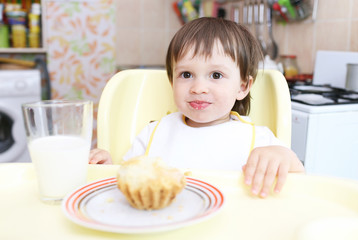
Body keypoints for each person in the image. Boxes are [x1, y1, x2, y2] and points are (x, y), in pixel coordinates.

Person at [89, 17, 304, 198]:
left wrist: (286, 158)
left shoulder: (259, 139)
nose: (198, 88)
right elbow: (125, 181)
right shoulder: (154, 132)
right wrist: (107, 168)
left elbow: (300, 186)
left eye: (216, 75)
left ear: (242, 87)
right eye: (186, 75)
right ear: (172, 82)